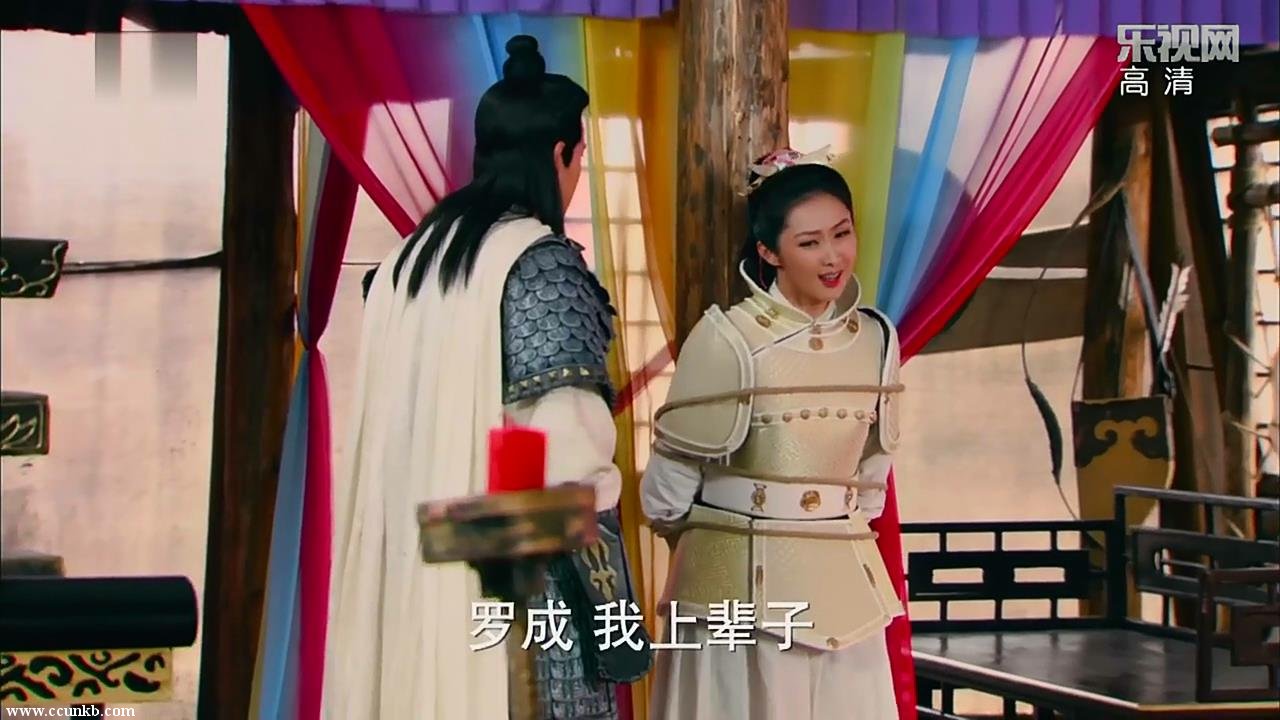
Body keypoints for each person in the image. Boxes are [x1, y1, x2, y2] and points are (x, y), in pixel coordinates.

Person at [328, 35, 650, 720]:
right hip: (520, 582)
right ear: (560, 154)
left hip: (409, 566)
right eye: (580, 156)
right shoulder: (540, 263)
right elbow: (569, 456)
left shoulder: (409, 261)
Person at [640, 149, 905, 719]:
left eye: (842, 234)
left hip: (846, 591)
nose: (832, 256)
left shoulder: (877, 338)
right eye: (809, 243)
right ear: (768, 251)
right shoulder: (726, 338)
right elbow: (664, 497)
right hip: (732, 590)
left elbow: (870, 484)